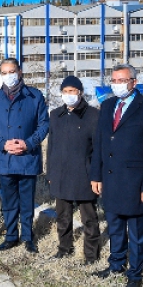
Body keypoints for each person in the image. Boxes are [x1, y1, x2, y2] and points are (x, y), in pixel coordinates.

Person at [90, 63, 143, 287]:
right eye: (114, 80)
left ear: (133, 82)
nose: (117, 84)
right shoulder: (107, 106)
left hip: (136, 182)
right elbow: (100, 144)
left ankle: (135, 274)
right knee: (115, 228)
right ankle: (115, 265)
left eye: (122, 80)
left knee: (137, 232)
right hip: (111, 179)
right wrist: (96, 175)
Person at [0, 57, 49, 253]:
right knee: (9, 200)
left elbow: (44, 124)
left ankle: (28, 237)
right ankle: (11, 235)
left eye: (11, 71)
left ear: (19, 72)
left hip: (27, 157)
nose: (8, 76)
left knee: (27, 200)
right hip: (5, 158)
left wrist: (28, 143)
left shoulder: (35, 95)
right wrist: (2, 144)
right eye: (4, 72)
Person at [46, 76, 100, 264]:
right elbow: (51, 146)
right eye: (65, 91)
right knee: (62, 216)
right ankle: (64, 248)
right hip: (60, 174)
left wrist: (96, 176)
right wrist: (50, 172)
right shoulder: (55, 115)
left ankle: (91, 255)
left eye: (73, 91)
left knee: (89, 218)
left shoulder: (93, 115)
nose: (69, 95)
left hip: (84, 175)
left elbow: (98, 149)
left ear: (80, 92)